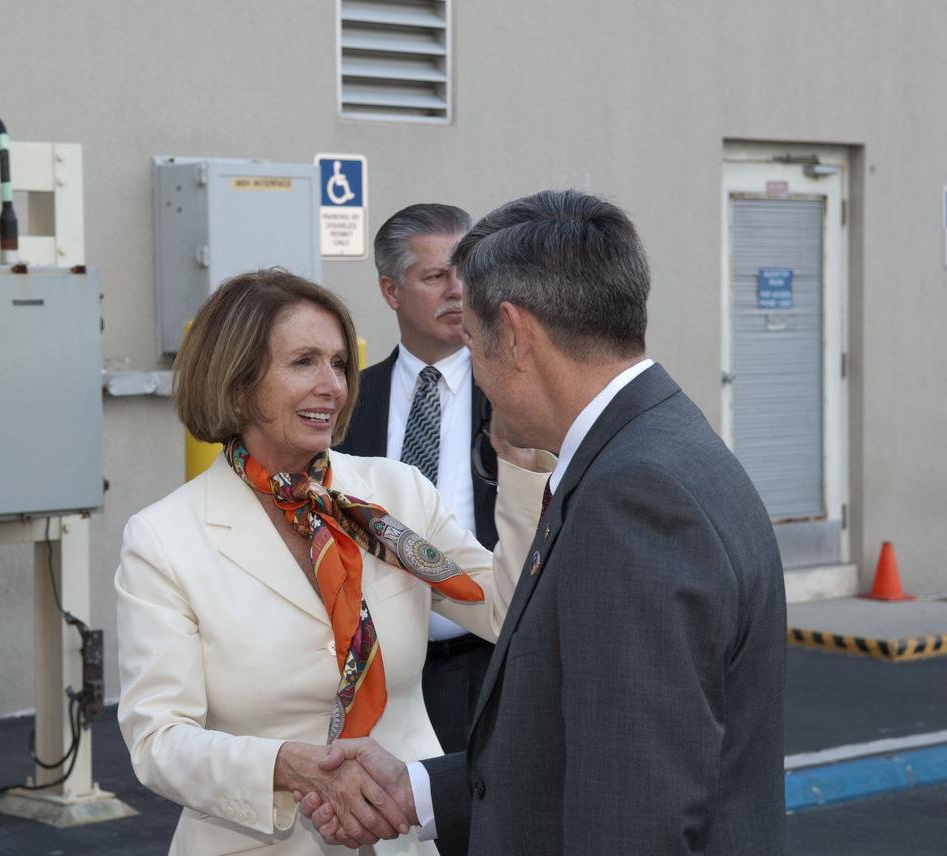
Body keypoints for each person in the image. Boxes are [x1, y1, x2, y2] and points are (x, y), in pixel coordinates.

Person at [300, 190, 788, 855]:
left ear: (516, 334)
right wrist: (418, 792)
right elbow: (583, 740)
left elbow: (633, 809)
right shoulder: (660, 445)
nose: (474, 372)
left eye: (472, 342)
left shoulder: (633, 497)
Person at [115, 268, 555, 855]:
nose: (334, 386)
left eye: (339, 364)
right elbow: (159, 741)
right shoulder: (164, 537)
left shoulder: (396, 496)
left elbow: (510, 613)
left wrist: (524, 473)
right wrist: (288, 766)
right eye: (303, 362)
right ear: (238, 380)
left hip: (402, 840)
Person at [335, 203, 499, 754]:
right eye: (435, 276)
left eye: (466, 274)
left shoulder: (515, 396)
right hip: (370, 675)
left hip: (489, 668)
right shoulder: (346, 402)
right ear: (390, 290)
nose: (458, 291)